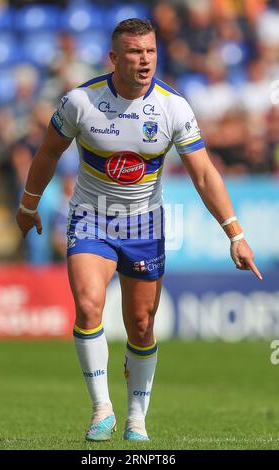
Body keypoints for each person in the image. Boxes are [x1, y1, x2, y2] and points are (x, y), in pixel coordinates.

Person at [16, 18, 262, 442]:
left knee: (142, 324)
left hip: (144, 223)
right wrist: (28, 204)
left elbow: (204, 174)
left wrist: (235, 235)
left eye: (149, 51)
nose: (144, 59)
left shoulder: (173, 107)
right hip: (91, 216)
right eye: (134, 52)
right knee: (90, 304)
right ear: (114, 58)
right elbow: (48, 153)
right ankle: (101, 408)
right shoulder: (80, 102)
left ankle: (136, 419)